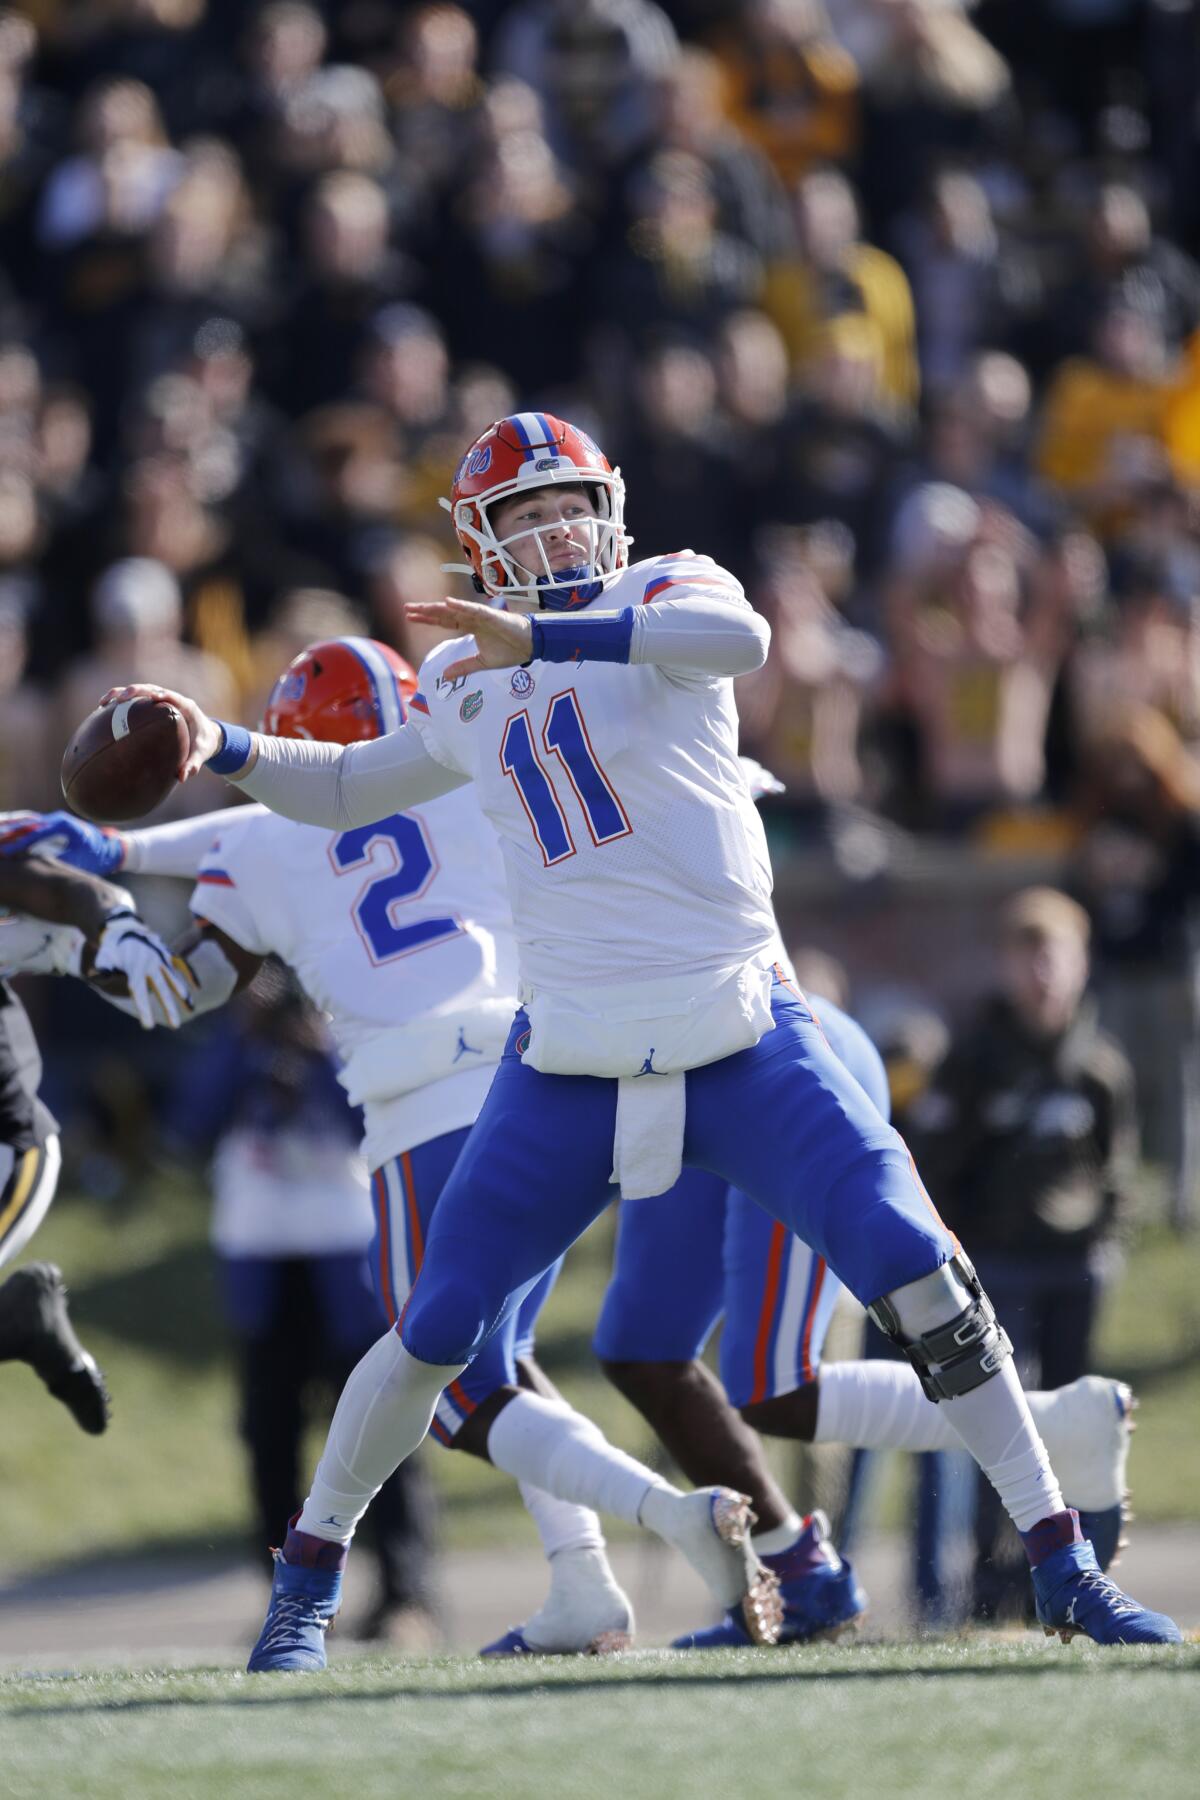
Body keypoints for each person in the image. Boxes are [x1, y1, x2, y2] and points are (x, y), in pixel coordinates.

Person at [105, 409, 1182, 1656]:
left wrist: (549, 631)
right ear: (482, 544)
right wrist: (221, 742)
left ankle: (1062, 1565)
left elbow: (743, 637)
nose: (556, 527)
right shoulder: (463, 678)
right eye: (525, 514)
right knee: (435, 1330)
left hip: (740, 1034)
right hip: (570, 1062)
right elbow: (349, 788)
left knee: (921, 1271)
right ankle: (305, 1589)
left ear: (610, 510)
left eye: (570, 503)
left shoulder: (670, 590)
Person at [15, 638, 788, 1659]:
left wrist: (100, 896)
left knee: (451, 1384)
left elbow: (194, 975)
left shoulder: (262, 842)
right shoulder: (475, 775)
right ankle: (585, 1587)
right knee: (493, 1361)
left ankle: (671, 1519)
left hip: (423, 1098)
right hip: (558, 1079)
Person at [596, 989, 1139, 1645]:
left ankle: (1054, 1425)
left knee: (772, 1387)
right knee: (639, 1352)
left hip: (760, 1058)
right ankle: (795, 1577)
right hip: (662, 1076)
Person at [0, 840, 190, 1433]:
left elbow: (67, 887)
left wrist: (118, 926)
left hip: (9, 1148)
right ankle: (20, 1322)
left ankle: (24, 1321)